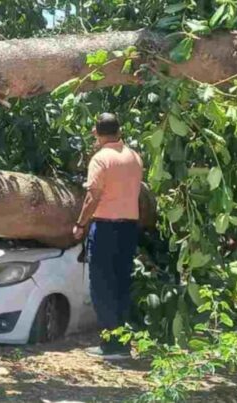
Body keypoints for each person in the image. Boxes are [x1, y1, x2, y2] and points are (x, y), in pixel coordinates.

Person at [72, 112, 143, 360]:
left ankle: (110, 345)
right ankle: (122, 343)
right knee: (121, 284)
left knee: (102, 285)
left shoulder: (101, 159)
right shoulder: (134, 157)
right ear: (119, 130)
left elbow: (93, 196)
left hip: (105, 227)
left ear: (96, 133)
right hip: (129, 228)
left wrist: (80, 224)